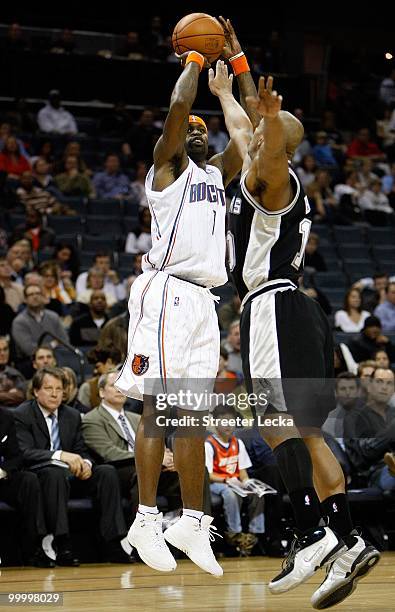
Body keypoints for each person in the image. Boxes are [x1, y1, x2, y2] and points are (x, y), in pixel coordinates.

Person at [225, 40, 379, 605]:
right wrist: (235, 76)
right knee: (300, 430)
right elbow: (248, 130)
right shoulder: (261, 169)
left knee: (281, 425)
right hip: (287, 308)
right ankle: (345, 539)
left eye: (261, 134)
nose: (248, 135)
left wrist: (264, 122)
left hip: (274, 306)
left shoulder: (274, 180)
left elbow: (264, 145)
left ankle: (315, 533)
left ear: (275, 147)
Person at [115, 53, 252, 577]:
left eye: (202, 128)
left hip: (203, 301)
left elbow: (248, 139)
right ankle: (146, 519)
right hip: (167, 292)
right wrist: (195, 59)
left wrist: (230, 83)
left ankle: (194, 521)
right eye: (188, 128)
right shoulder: (166, 168)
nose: (195, 130)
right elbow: (177, 104)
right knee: (159, 408)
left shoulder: (216, 173)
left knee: (193, 415)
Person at [13, 367, 131, 565]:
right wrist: (60, 455)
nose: (54, 393)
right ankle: (62, 543)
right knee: (54, 474)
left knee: (106, 472)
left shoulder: (72, 415)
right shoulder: (22, 414)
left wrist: (85, 464)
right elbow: (25, 453)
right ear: (35, 391)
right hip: (41, 475)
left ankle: (113, 542)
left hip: (72, 474)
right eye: (48, 388)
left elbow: (81, 450)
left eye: (59, 389)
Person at [82, 370, 181, 513]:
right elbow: (110, 453)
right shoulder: (91, 419)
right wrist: (155, 458)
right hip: (118, 471)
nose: (119, 389)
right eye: (114, 385)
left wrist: (169, 458)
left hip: (149, 466)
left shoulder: (137, 417)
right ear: (102, 392)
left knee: (187, 470)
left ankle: (186, 522)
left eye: (122, 385)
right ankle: (140, 527)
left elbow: (157, 444)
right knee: (141, 472)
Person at [205, 405, 265, 555]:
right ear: (215, 423)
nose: (228, 425)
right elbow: (209, 475)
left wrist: (248, 484)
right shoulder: (209, 444)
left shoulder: (238, 443)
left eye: (231, 421)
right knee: (230, 493)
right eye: (223, 421)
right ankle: (235, 533)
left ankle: (253, 534)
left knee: (257, 493)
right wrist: (228, 480)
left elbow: (243, 473)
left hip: (234, 482)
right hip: (216, 484)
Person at [0, 409, 52, 567]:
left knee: (28, 480)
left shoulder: (5, 416)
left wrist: (3, 471)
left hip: (1, 478)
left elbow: (16, 456)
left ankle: (35, 547)